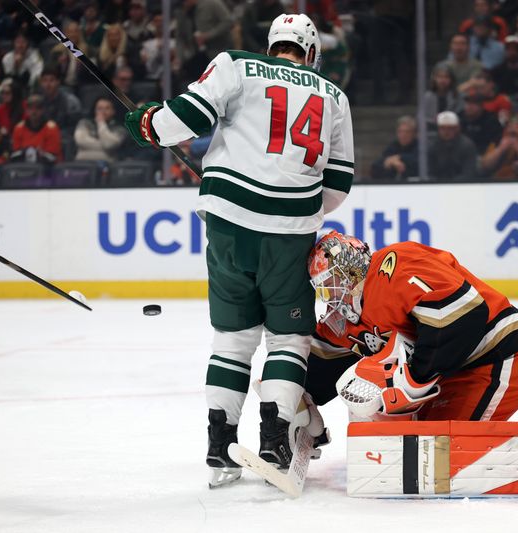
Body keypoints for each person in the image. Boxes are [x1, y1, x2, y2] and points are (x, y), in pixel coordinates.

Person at [124, 13, 353, 486]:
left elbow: (182, 120)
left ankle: (219, 445)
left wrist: (146, 123)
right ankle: (273, 440)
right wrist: (294, 206)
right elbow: (337, 185)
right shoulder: (334, 96)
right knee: (287, 338)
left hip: (228, 224)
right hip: (290, 232)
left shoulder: (236, 64)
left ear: (272, 45)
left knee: (233, 338)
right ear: (310, 53)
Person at [304, 232, 518, 422]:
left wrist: (415, 378)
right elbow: (320, 364)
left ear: (351, 268)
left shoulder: (394, 264)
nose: (330, 294)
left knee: (441, 453)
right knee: (418, 447)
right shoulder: (345, 319)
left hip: (495, 359)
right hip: (452, 375)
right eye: (323, 288)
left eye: (331, 281)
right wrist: (297, 404)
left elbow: (462, 312)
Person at [176, 0, 234, 81]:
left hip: (217, 53)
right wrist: (179, 58)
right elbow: (180, 37)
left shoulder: (212, 3)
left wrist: (208, 35)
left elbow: (228, 22)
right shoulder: (181, 12)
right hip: (195, 56)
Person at [10, 94, 62, 165]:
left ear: (43, 110)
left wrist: (40, 154)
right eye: (30, 108)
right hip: (24, 168)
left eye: (38, 108)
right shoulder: (19, 128)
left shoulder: (51, 128)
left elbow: (53, 157)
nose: (34, 112)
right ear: (26, 110)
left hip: (47, 169)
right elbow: (15, 155)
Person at [427, 111, 478, 182]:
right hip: (437, 187)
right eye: (442, 128)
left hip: (462, 186)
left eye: (450, 128)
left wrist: (451, 184)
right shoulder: (432, 146)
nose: (446, 132)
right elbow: (430, 173)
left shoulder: (467, 146)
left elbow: (469, 173)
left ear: (457, 128)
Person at [74, 97, 127, 163]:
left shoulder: (120, 128)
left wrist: (101, 123)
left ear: (113, 111)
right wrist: (104, 145)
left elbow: (109, 145)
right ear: (95, 110)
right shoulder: (84, 123)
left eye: (107, 108)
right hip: (82, 163)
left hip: (107, 164)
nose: (103, 111)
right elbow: (80, 141)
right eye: (99, 108)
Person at [370, 116, 418, 181]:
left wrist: (399, 157)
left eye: (407, 132)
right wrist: (391, 161)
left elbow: (417, 162)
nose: (403, 135)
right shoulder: (393, 146)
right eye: (400, 131)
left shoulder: (420, 146)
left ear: (414, 133)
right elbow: (376, 166)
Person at [37, 67, 83, 132]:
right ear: (41, 83)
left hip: (65, 137)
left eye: (51, 80)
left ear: (58, 82)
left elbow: (74, 128)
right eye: (45, 81)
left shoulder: (71, 102)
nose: (48, 84)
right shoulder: (39, 102)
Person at [423, 65, 461, 130]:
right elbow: (422, 118)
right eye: (440, 77)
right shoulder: (427, 97)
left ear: (451, 79)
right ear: (434, 79)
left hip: (452, 130)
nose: (443, 80)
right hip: (431, 131)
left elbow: (460, 116)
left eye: (446, 77)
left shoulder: (457, 96)